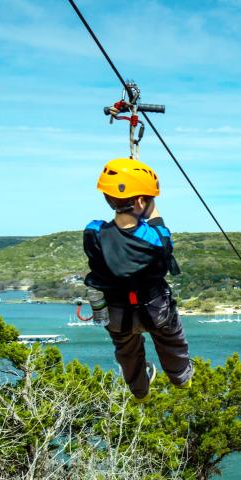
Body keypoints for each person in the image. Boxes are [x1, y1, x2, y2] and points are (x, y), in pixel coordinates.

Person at [83, 157, 193, 401]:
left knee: (127, 352)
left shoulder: (94, 232)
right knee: (172, 342)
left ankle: (140, 391)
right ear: (142, 201)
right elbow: (161, 232)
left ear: (108, 198)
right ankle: (181, 377)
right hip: (155, 311)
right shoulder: (156, 239)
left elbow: (107, 237)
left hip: (117, 314)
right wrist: (149, 207)